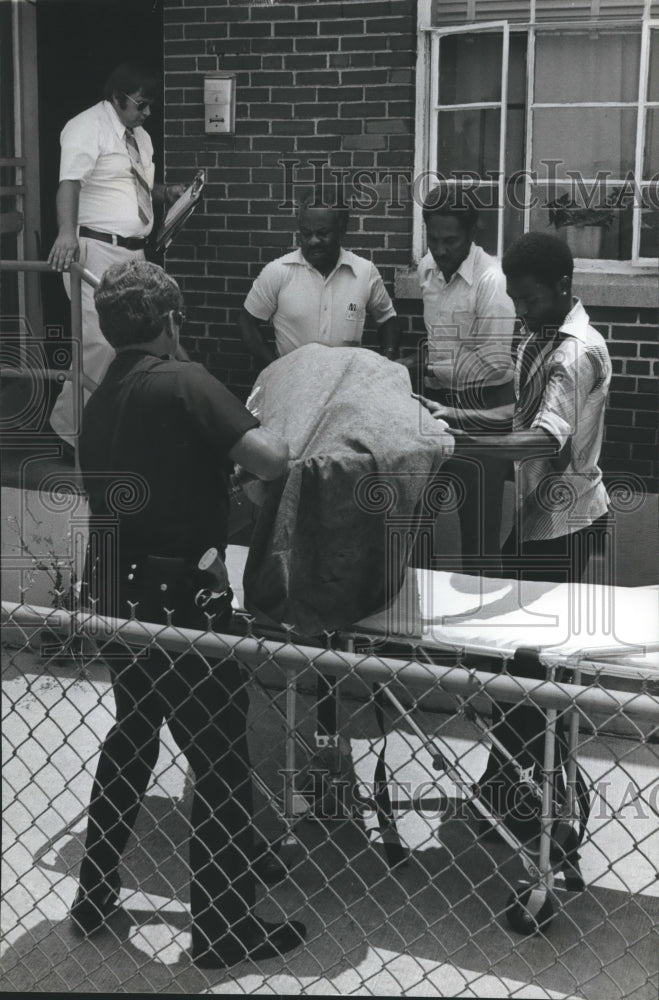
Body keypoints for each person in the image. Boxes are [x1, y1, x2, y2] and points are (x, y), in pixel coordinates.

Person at [73, 260, 305, 968]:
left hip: (118, 593)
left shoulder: (101, 395)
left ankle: (93, 893)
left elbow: (162, 477)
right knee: (219, 758)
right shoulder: (185, 381)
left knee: (133, 735)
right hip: (182, 601)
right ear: (172, 320)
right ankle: (223, 929)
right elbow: (270, 458)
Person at [421, 230, 612, 581]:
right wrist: (455, 414)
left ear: (563, 285)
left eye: (530, 299)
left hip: (568, 521)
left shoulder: (577, 352)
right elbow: (526, 414)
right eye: (514, 300)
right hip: (537, 514)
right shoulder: (536, 339)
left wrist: (465, 442)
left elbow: (545, 439)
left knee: (537, 629)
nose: (521, 312)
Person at [47, 62, 186, 454]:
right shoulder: (86, 126)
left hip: (133, 252)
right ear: (116, 97)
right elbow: (69, 183)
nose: (146, 113)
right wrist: (64, 234)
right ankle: (68, 434)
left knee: (130, 341)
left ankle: (105, 429)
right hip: (96, 248)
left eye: (149, 106)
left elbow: (131, 183)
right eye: (140, 105)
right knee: (99, 343)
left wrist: (166, 193)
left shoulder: (139, 137)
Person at [417, 185, 516, 575]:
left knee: (478, 527)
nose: (440, 251)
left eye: (450, 241)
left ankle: (476, 621)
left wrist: (425, 368)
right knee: (417, 515)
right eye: (433, 239)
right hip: (437, 405)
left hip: (485, 406)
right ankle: (415, 621)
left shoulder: (493, 281)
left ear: (473, 232)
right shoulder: (428, 268)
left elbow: (492, 364)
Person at [239, 193, 401, 368]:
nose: (313, 241)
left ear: (342, 230)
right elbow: (247, 322)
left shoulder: (364, 272)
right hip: (294, 386)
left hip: (346, 387)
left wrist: (387, 363)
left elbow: (388, 320)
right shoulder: (278, 272)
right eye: (306, 234)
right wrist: (275, 370)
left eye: (322, 233)